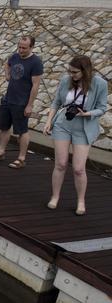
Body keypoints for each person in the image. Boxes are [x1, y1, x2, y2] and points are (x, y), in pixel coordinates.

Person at [42, 55, 107, 216]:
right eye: (70, 71)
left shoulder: (100, 84)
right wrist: (48, 121)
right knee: (61, 164)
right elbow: (56, 102)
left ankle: (81, 200)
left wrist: (88, 113)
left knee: (78, 168)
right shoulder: (66, 80)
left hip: (84, 127)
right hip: (63, 125)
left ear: (85, 71)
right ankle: (55, 196)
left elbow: (102, 108)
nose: (72, 75)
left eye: (75, 72)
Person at [0, 36, 43, 168]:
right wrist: (7, 74)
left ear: (31, 47)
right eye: (19, 47)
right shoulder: (15, 56)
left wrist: (30, 105)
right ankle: (1, 152)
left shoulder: (36, 62)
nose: (21, 50)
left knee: (22, 130)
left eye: (24, 48)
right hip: (8, 98)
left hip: (21, 101)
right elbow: (7, 63)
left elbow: (35, 85)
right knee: (4, 127)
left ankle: (21, 158)